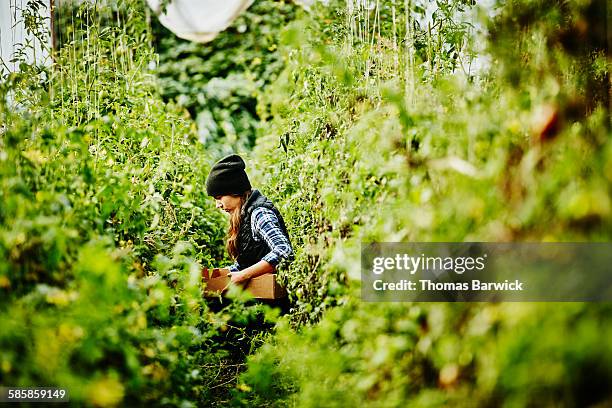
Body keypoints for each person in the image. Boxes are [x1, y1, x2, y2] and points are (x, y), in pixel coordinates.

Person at [205, 154, 294, 284]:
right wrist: (223, 275)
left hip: (275, 300)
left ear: (234, 191)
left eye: (219, 197)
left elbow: (284, 251)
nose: (218, 205)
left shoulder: (259, 213)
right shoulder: (244, 215)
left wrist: (242, 275)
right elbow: (247, 263)